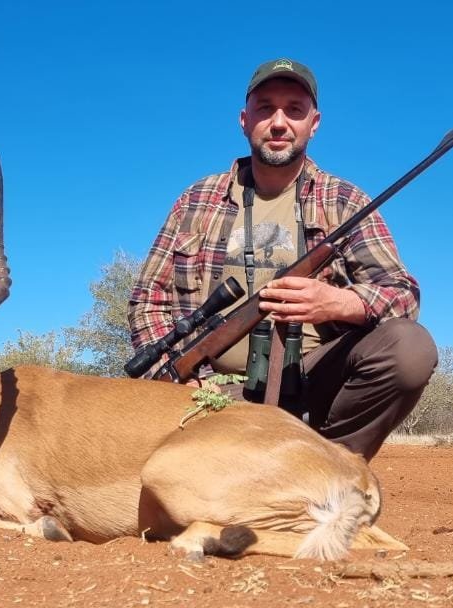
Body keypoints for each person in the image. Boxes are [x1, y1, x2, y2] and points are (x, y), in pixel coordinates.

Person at [128, 58, 437, 461]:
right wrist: (179, 377)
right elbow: (147, 298)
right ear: (244, 119)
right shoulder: (196, 199)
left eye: (294, 110)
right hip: (209, 393)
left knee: (409, 348)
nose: (278, 122)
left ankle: (328, 467)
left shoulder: (345, 201)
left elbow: (402, 295)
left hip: (308, 386)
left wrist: (340, 302)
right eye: (265, 108)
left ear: (314, 123)